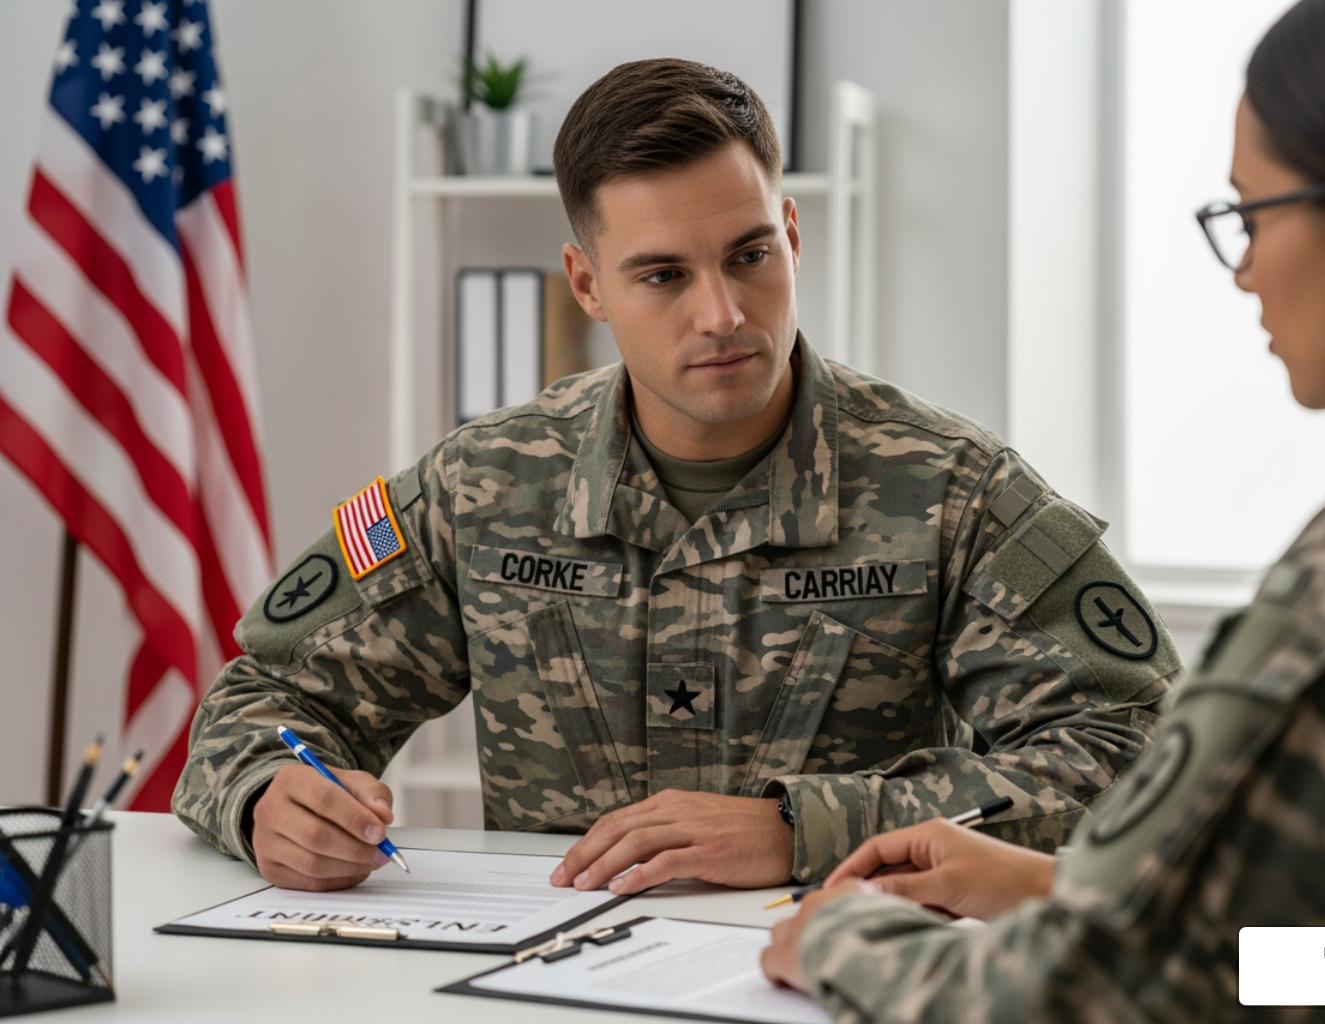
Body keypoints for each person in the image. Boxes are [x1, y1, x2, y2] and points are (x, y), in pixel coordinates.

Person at [171, 58, 1179, 895]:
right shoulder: (483, 485)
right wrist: (268, 792)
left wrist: (804, 828)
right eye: (663, 275)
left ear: (792, 233)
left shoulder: (955, 490)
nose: (724, 315)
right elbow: (264, 695)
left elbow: (1141, 755)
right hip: (546, 987)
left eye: (749, 255)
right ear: (587, 284)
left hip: (840, 971)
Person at [760, 0, 1325, 1020]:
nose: (1246, 267)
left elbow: (1092, 996)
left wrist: (848, 936)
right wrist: (1083, 891)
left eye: (1251, 215)